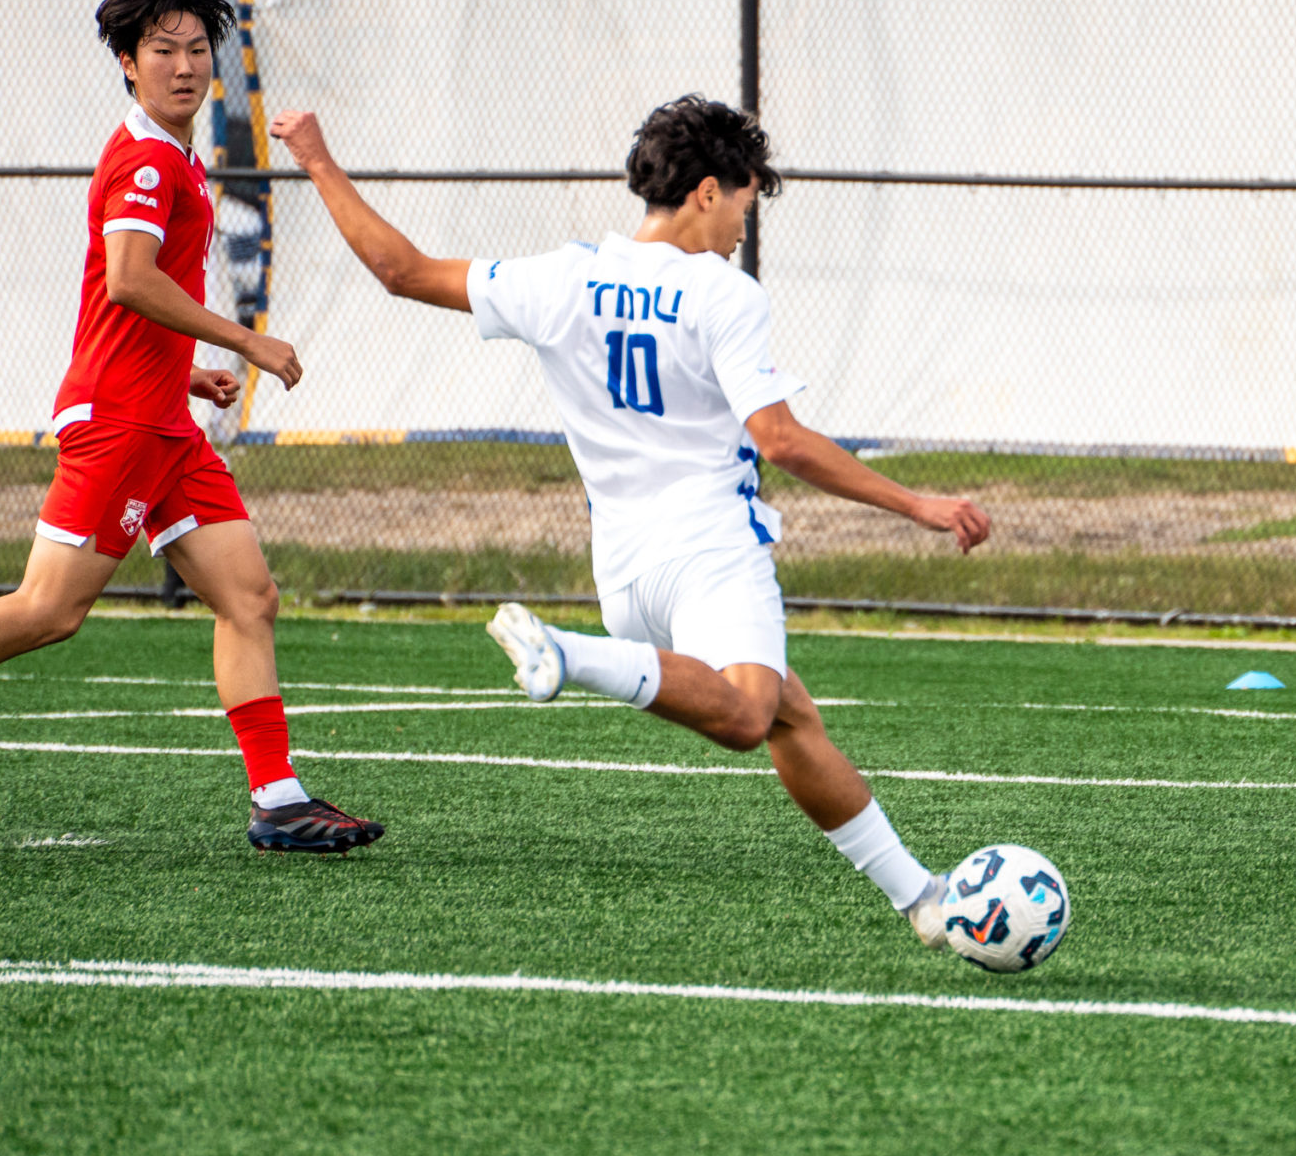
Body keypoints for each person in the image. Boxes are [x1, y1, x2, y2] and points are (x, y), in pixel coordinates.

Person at [267, 95, 990, 948]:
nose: (741, 233)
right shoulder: (723, 292)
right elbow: (780, 439)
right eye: (745, 209)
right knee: (751, 716)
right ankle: (563, 652)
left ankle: (921, 900)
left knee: (793, 718)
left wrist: (315, 159)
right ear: (709, 193)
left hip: (625, 573)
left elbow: (402, 269)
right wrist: (919, 504)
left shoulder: (562, 276)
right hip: (710, 555)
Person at [0, 0, 382, 856]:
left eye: (198, 49)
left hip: (163, 421)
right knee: (49, 608)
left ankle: (278, 798)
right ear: (126, 60)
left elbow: (120, 302)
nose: (185, 66)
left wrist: (184, 374)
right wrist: (247, 341)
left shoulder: (175, 153)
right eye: (163, 51)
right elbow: (128, 278)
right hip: (119, 423)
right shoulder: (149, 159)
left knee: (249, 596)